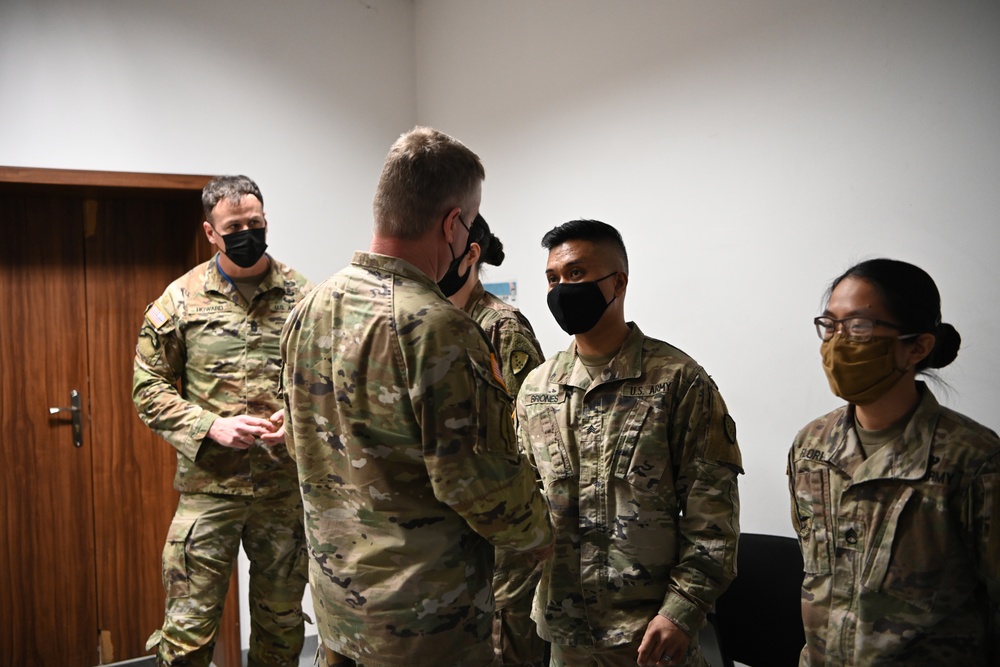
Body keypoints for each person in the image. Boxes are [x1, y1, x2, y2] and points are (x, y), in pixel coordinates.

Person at [280, 126, 554, 667]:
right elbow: (475, 482)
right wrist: (541, 531)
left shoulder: (308, 309)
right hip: (426, 627)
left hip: (340, 612)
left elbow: (298, 444)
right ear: (453, 224)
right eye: (469, 224)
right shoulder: (438, 328)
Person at [517, 219, 743, 667]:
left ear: (617, 282)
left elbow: (712, 518)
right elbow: (523, 508)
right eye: (552, 278)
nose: (562, 288)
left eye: (576, 274)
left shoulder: (677, 381)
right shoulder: (536, 390)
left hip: (650, 638)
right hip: (566, 634)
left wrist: (683, 611)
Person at [132, 175, 311, 666]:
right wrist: (210, 425)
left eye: (255, 222)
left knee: (281, 629)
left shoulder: (305, 298)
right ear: (211, 232)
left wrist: (292, 420)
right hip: (210, 490)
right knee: (187, 635)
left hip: (283, 492)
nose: (247, 232)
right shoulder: (180, 300)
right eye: (235, 226)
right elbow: (148, 389)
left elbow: (329, 386)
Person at [788, 258, 1000, 666]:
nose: (836, 342)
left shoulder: (973, 460)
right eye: (830, 325)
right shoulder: (811, 448)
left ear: (917, 346)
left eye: (859, 327)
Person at [443, 214, 548, 666]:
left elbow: (533, 433)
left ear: (470, 256)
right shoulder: (436, 322)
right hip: (456, 527)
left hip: (504, 526)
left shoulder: (500, 326)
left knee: (506, 646)